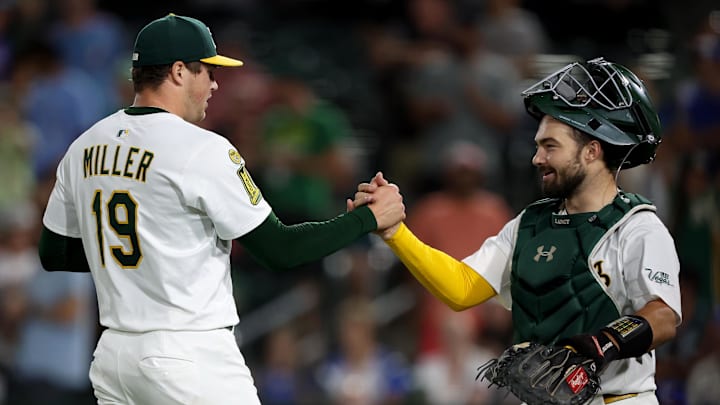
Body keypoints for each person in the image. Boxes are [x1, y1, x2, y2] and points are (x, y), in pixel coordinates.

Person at [37, 13, 405, 405]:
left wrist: (146, 251)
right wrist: (367, 218)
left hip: (114, 357)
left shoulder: (84, 147)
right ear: (179, 71)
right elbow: (281, 249)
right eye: (207, 71)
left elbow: (54, 252)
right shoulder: (201, 148)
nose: (215, 84)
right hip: (187, 353)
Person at [353, 57, 681, 404]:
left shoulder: (637, 226)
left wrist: (605, 342)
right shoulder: (529, 224)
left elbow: (663, 316)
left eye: (550, 146)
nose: (537, 158)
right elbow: (461, 288)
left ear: (591, 151)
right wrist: (395, 234)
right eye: (538, 145)